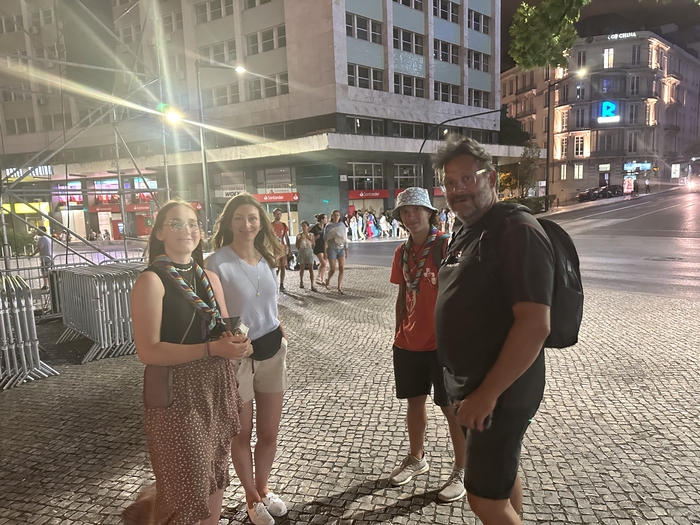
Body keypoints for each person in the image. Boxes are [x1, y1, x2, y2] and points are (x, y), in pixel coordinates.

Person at [433, 136, 554, 525]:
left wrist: (486, 395)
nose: (458, 189)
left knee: (484, 500)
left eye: (467, 178)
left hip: (501, 390)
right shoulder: (468, 230)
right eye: (450, 182)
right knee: (502, 476)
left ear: (491, 179)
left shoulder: (517, 230)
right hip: (473, 385)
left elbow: (535, 324)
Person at [128, 200, 250, 525]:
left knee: (215, 472)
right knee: (185, 484)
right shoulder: (151, 281)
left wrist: (238, 343)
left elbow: (224, 330)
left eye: (193, 223)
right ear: (160, 233)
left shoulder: (209, 277)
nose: (187, 230)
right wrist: (211, 349)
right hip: (177, 392)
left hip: (217, 385)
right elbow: (148, 351)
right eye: (177, 223)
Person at [205, 194, 289, 525]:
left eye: (252, 218)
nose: (246, 224)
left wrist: (279, 328)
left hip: (272, 350)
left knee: (269, 431)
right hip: (237, 356)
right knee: (241, 432)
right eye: (239, 218)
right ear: (229, 222)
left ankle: (264, 487)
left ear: (261, 223)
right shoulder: (216, 262)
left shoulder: (266, 258)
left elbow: (268, 303)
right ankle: (252, 497)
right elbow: (213, 314)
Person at [388, 187, 467, 503]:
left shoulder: (446, 246)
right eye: (405, 212)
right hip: (409, 343)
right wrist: (399, 332)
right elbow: (402, 295)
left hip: (442, 345)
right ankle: (417, 458)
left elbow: (463, 291)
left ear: (429, 213)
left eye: (416, 210)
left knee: (451, 409)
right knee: (414, 403)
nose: (411, 216)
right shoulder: (402, 251)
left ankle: (462, 469)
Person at [323, 210, 348, 294]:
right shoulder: (328, 226)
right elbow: (325, 239)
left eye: (338, 215)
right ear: (332, 216)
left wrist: (346, 248)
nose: (337, 217)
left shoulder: (342, 225)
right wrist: (325, 251)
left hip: (341, 248)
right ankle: (328, 280)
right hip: (332, 249)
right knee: (333, 269)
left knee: (341, 268)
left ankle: (339, 287)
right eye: (335, 215)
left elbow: (345, 237)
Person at [271, 208, 291, 292]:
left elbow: (286, 237)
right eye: (277, 214)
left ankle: (281, 284)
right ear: (274, 214)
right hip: (273, 248)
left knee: (283, 267)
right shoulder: (270, 225)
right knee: (276, 267)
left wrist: (289, 249)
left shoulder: (283, 225)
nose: (278, 215)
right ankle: (273, 283)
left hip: (282, 248)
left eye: (279, 214)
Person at [295, 221, 317, 291]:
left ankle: (312, 284)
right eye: (302, 226)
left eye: (304, 226)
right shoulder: (299, 235)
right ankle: (301, 281)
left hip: (309, 251)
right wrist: (301, 239)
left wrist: (308, 238)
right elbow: (297, 245)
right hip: (302, 251)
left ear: (308, 227)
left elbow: (313, 244)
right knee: (302, 268)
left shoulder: (311, 235)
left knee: (311, 268)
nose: (303, 227)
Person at [310, 213, 328, 286]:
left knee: (324, 263)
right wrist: (315, 237)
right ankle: (318, 277)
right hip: (317, 247)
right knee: (323, 263)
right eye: (325, 218)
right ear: (322, 220)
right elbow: (309, 236)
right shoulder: (315, 228)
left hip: (325, 246)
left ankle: (322, 279)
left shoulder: (326, 227)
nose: (326, 219)